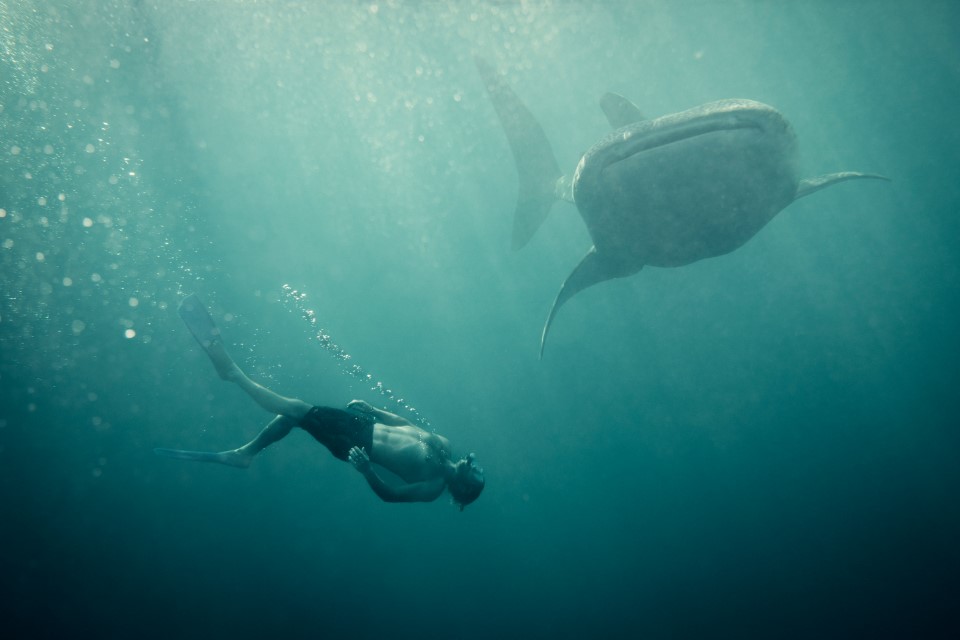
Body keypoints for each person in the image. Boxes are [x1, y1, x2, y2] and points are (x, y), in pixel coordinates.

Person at [155, 295, 484, 510]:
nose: (474, 467)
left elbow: (391, 495)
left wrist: (366, 469)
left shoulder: (433, 487)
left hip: (356, 447)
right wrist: (374, 410)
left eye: (475, 477)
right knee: (295, 416)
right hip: (363, 425)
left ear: (463, 490)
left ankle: (232, 374)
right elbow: (405, 425)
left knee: (297, 408)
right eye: (478, 470)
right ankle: (246, 454)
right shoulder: (443, 444)